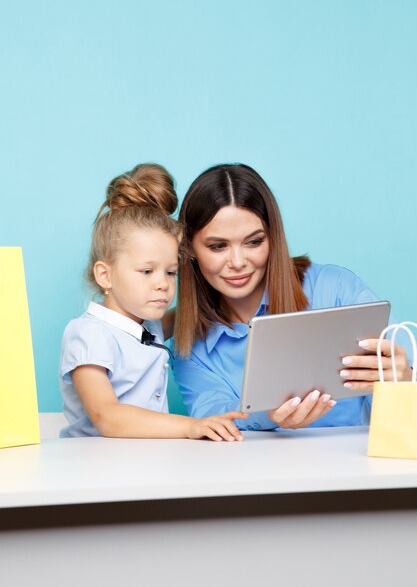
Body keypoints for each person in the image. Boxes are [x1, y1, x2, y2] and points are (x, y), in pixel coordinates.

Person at [173, 163, 412, 431]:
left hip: (362, 465)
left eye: (253, 242)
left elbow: (405, 367)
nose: (238, 262)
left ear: (273, 238)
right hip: (261, 471)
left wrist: (406, 379)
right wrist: (269, 414)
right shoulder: (191, 348)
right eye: (218, 246)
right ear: (189, 248)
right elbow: (214, 419)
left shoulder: (335, 289)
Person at [59, 162, 246, 440]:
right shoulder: (89, 334)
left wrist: (227, 281)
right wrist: (190, 426)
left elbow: (191, 311)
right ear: (105, 275)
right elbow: (107, 417)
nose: (163, 283)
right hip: (96, 468)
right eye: (147, 271)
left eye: (170, 272)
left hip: (146, 463)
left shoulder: (149, 326)